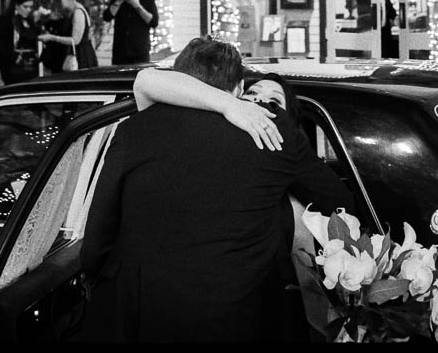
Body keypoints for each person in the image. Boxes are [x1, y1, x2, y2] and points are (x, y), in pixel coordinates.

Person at [76, 38, 353, 343]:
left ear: (178, 80)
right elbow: (337, 202)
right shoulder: (273, 129)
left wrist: (94, 279)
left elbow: (98, 235)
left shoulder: (134, 128)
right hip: (234, 318)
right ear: (239, 88)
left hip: (138, 316)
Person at [101, 0, 159, 64]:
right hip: (120, 51)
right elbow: (107, 17)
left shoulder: (147, 1)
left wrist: (137, 6)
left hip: (140, 51)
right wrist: (119, 1)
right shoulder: (117, 0)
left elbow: (153, 22)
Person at [38, 0, 98, 73]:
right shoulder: (73, 12)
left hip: (81, 58)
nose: (61, 3)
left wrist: (52, 37)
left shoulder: (78, 12)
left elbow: (75, 40)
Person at [0, 0, 40, 85]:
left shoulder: (30, 21)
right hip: (14, 68)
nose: (29, 10)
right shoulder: (7, 20)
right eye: (25, 7)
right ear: (16, 5)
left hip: (31, 66)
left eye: (30, 7)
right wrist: (13, 57)